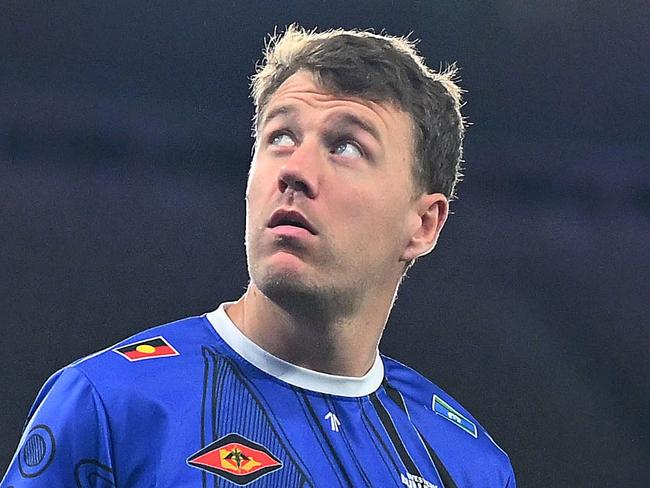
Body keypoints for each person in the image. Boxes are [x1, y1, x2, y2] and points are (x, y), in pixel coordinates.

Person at [1, 25, 515, 487]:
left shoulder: (468, 464)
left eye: (347, 147)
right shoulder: (109, 406)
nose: (295, 169)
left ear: (423, 224)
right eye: (281, 136)